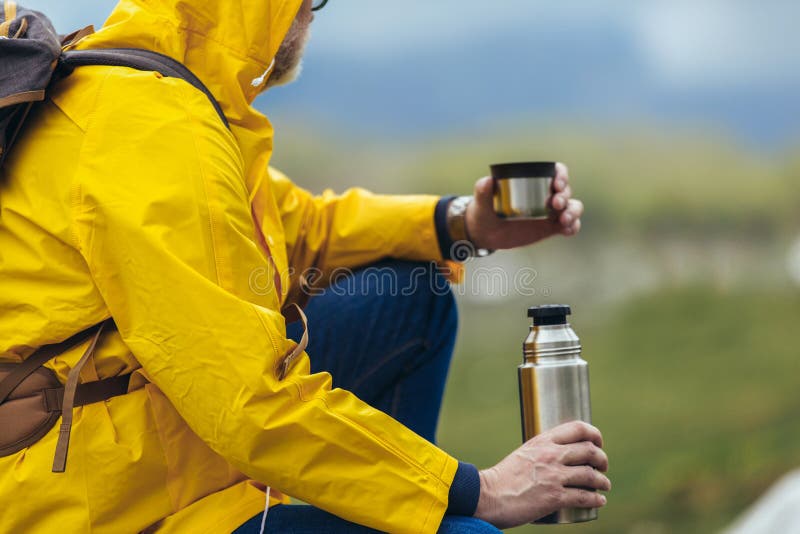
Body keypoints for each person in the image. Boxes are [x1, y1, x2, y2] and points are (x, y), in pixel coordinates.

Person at [0, 0, 609, 532]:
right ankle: (409, 506)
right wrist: (479, 490)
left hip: (162, 444)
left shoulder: (142, 87)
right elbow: (248, 402)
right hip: (120, 506)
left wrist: (462, 225)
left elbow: (299, 227)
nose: (308, 22)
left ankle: (389, 507)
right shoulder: (152, 127)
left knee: (408, 294)